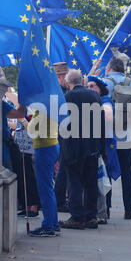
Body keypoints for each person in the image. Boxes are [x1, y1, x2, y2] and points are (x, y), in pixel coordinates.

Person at [59, 70, 105, 230]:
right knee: (91, 181)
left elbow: (63, 123)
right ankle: (91, 216)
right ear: (81, 81)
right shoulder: (94, 96)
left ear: (68, 82)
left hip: (73, 146)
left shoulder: (67, 97)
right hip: (92, 145)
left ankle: (77, 217)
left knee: (74, 182)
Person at [103, 57, 131, 220]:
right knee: (126, 173)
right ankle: (128, 209)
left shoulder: (104, 82)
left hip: (108, 135)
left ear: (109, 68)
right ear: (123, 69)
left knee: (107, 171)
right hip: (126, 135)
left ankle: (106, 209)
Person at [87, 75, 120, 224]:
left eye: (92, 86)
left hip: (105, 145)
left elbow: (107, 114)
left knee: (104, 177)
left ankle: (104, 210)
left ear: (100, 89)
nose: (89, 89)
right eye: (88, 86)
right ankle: (99, 209)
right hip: (94, 143)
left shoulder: (105, 101)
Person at [27, 107, 61, 237]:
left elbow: (31, 130)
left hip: (44, 148)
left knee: (45, 188)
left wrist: (23, 120)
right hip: (52, 145)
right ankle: (53, 223)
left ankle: (48, 226)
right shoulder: (50, 105)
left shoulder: (41, 108)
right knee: (48, 188)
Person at [53, 62, 70, 212]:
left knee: (63, 167)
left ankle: (60, 197)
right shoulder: (58, 91)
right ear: (61, 76)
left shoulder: (62, 89)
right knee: (62, 168)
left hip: (62, 133)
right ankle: (59, 199)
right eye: (66, 75)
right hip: (60, 133)